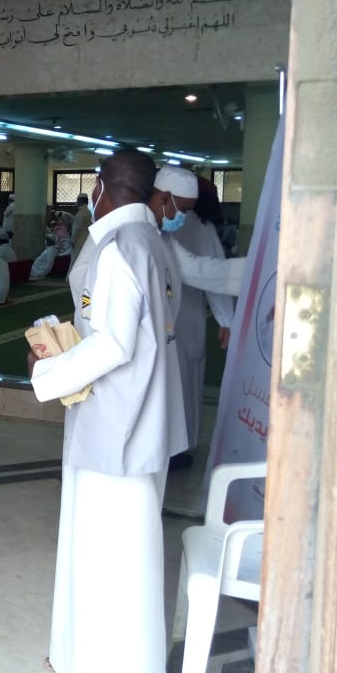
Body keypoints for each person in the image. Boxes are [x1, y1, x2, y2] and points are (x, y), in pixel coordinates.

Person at [29, 149, 185, 673]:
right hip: (142, 421)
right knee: (130, 555)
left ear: (100, 188)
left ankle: (100, 666)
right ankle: (94, 660)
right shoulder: (155, 244)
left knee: (105, 557)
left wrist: (48, 371)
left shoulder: (120, 248)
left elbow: (114, 343)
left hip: (116, 427)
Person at [148, 167, 235, 469]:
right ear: (164, 198)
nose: (182, 217)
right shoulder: (142, 230)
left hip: (184, 317)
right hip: (154, 325)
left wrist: (226, 319)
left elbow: (208, 273)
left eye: (187, 209)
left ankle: (178, 446)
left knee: (183, 381)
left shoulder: (190, 228)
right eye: (181, 208)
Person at [67, 192, 92, 273]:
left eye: (77, 200)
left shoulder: (81, 213)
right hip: (86, 239)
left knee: (75, 260)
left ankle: (71, 278)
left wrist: (72, 241)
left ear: (81, 201)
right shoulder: (88, 212)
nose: (76, 202)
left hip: (79, 240)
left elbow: (76, 229)